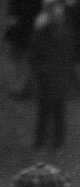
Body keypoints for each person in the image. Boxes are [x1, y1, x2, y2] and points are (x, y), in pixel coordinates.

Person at [28, 0, 73, 151]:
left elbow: (69, 56)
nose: (58, 17)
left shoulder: (66, 33)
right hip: (46, 77)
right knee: (44, 111)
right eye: (55, 15)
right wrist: (41, 70)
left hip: (59, 77)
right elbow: (34, 55)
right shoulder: (42, 34)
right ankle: (41, 141)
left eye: (59, 15)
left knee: (59, 111)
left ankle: (58, 141)